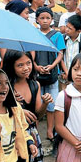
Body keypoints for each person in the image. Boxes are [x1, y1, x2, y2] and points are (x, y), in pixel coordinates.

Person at [2, 51, 53, 162]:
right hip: (11, 137)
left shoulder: (35, 84)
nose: (26, 68)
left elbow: (37, 115)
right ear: (11, 67)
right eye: (20, 65)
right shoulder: (5, 86)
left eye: (28, 63)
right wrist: (17, 110)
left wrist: (45, 104)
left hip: (32, 137)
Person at [33, 7, 65, 141]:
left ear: (52, 20)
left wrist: (52, 66)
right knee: (37, 104)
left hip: (52, 74)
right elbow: (31, 53)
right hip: (37, 72)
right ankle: (34, 131)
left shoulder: (57, 35)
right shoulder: (34, 33)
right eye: (42, 18)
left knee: (51, 104)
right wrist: (36, 67)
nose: (45, 21)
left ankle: (50, 130)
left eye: (47, 18)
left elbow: (60, 53)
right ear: (37, 20)